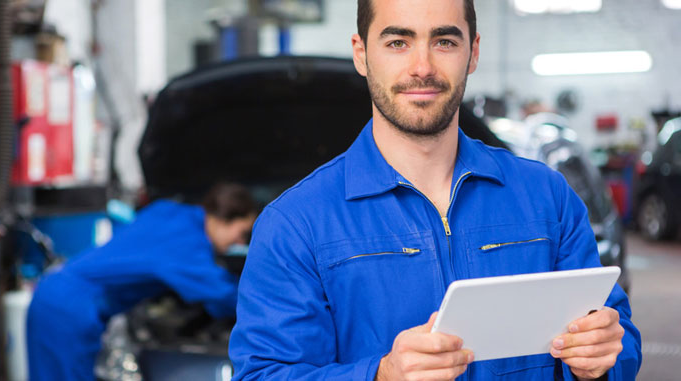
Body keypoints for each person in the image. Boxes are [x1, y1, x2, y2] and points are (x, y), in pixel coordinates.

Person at [228, 0, 641, 380]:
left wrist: (602, 358)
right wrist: (380, 374)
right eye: (397, 42)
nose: (421, 66)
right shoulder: (296, 223)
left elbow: (618, 335)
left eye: (444, 41)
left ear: (473, 52)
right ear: (361, 53)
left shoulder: (547, 196)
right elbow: (264, 374)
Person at [27, 183, 257, 381]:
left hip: (51, 292)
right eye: (242, 233)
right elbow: (223, 296)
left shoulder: (168, 211)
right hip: (70, 310)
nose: (239, 242)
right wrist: (267, 301)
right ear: (225, 218)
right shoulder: (187, 246)